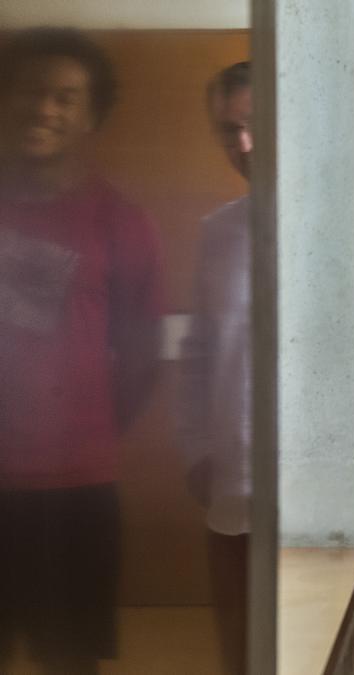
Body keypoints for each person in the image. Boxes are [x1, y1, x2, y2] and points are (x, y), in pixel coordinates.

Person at [0, 27, 163, 674]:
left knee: (67, 657)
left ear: (91, 114)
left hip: (78, 485)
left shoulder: (121, 222)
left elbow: (142, 352)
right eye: (31, 92)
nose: (45, 108)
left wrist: (85, 430)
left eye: (65, 97)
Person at [177, 60, 253, 675]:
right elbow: (200, 352)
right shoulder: (218, 233)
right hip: (233, 487)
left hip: (331, 501)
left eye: (256, 123)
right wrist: (196, 450)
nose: (244, 145)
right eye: (230, 130)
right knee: (242, 652)